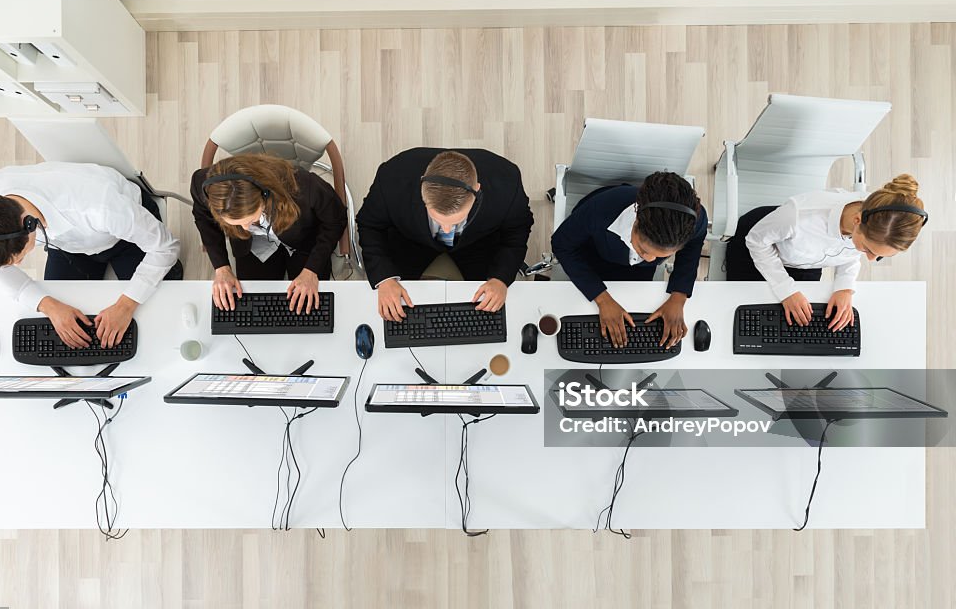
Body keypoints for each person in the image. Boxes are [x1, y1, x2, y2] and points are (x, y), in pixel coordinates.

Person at [0, 161, 182, 349]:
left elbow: (166, 247)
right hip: (67, 245)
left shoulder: (100, 207)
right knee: (64, 327)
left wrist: (125, 305)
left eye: (18, 257)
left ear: (29, 223)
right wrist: (48, 305)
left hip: (122, 237)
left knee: (156, 308)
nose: (19, 263)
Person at [726, 174, 927, 330]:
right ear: (857, 221)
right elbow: (756, 241)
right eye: (868, 249)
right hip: (758, 246)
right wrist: (786, 290)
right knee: (743, 313)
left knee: (799, 323)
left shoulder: (879, 216)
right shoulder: (799, 217)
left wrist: (844, 288)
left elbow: (849, 254)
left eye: (880, 255)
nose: (870, 258)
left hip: (805, 261)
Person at [356, 148, 534, 321]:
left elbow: (517, 230)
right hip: (410, 243)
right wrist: (385, 279)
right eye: (438, 219)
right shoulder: (391, 178)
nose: (447, 230)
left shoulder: (507, 182)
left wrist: (500, 279)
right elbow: (370, 225)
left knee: (489, 314)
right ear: (422, 191)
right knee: (394, 312)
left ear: (477, 191)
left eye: (456, 221)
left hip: (478, 244)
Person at [551, 172, 708, 349]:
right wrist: (602, 299)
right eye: (643, 250)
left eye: (661, 256)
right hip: (594, 253)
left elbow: (693, 248)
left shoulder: (694, 221)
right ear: (636, 222)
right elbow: (562, 245)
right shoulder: (600, 209)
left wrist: (679, 296)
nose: (649, 259)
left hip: (637, 272)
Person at [191, 153, 347, 313]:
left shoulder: (305, 186)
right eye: (236, 224)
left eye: (251, 220)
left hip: (303, 240)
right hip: (252, 246)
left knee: (308, 304)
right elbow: (203, 218)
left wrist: (311, 270)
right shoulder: (202, 185)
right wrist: (221, 268)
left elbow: (336, 220)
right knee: (252, 304)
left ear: (264, 195)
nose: (245, 228)